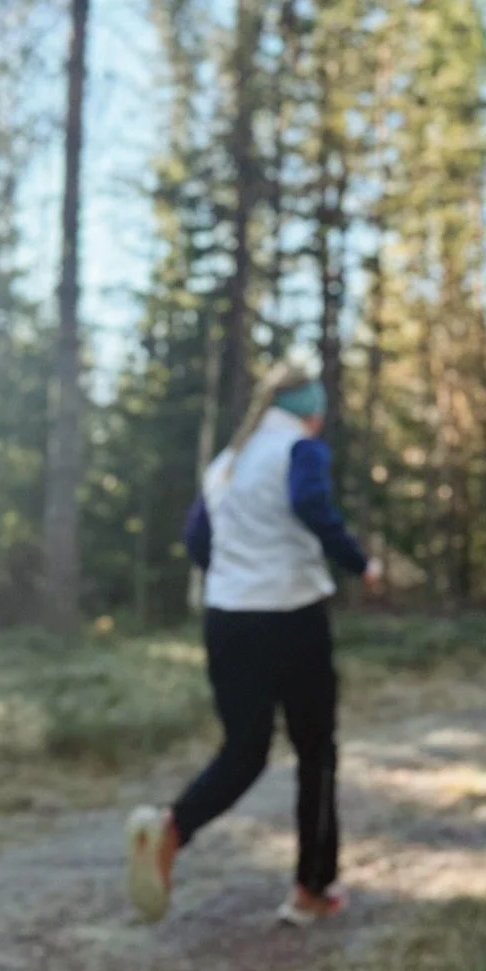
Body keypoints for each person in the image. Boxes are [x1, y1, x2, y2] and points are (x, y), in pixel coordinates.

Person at [125, 361, 381, 926]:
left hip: (228, 619)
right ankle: (311, 889)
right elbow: (313, 507)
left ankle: (173, 827)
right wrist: (361, 564)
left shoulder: (227, 463)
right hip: (291, 618)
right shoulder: (301, 450)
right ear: (311, 412)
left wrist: (240, 574)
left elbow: (197, 540)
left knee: (244, 749)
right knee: (315, 753)